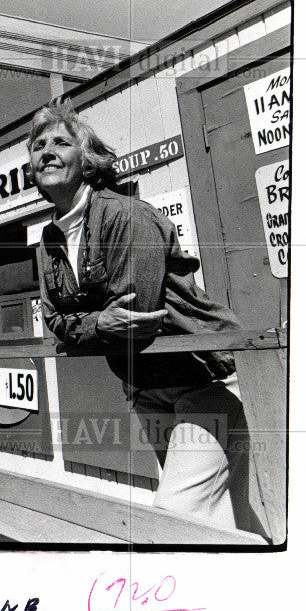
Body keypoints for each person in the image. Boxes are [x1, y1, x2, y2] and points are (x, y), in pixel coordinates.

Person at [29, 102, 246, 529]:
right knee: (217, 517)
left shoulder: (125, 216)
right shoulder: (48, 241)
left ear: (87, 160)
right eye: (38, 146)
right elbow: (54, 320)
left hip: (205, 379)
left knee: (176, 516)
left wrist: (86, 326)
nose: (47, 152)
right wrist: (97, 323)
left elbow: (135, 317)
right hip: (145, 386)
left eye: (60, 142)